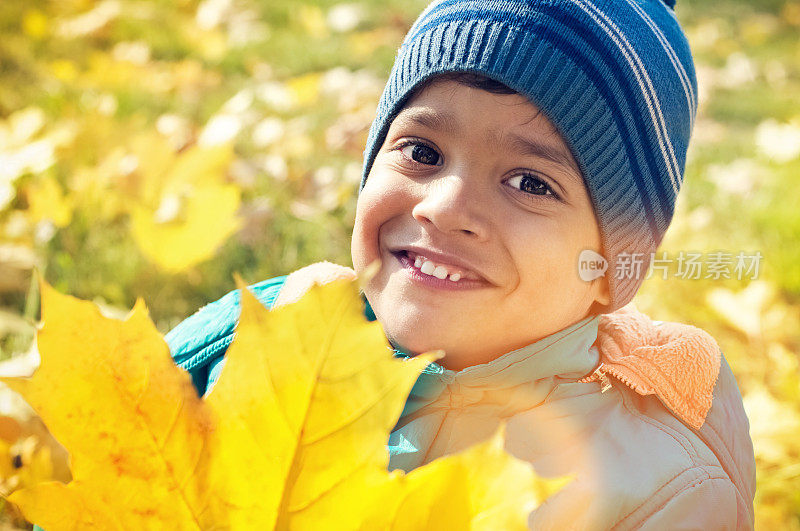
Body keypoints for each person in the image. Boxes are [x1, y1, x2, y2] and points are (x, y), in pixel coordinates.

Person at [166, 0, 756, 528]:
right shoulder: (265, 333)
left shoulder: (656, 490)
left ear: (611, 267)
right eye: (422, 152)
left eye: (529, 183)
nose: (444, 208)